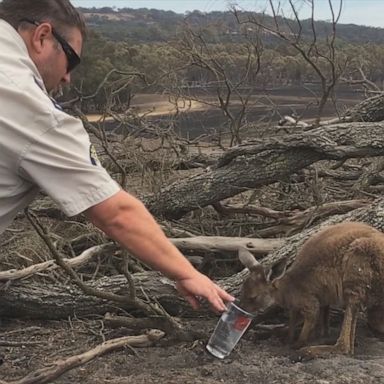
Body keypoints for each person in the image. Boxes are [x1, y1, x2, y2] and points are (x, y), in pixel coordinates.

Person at [0, 0, 233, 312]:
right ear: (42, 37)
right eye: (71, 61)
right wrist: (187, 273)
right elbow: (116, 212)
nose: (68, 77)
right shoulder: (28, 105)